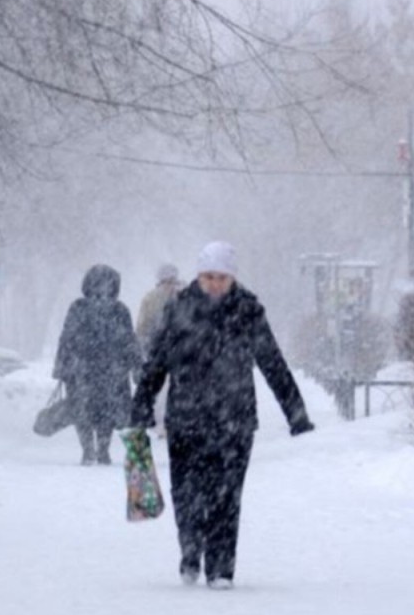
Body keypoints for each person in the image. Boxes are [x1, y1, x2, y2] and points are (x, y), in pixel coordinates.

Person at [130, 241, 315, 589]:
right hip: (186, 419)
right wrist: (141, 406)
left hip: (235, 419)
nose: (215, 284)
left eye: (222, 277)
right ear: (199, 276)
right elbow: (157, 362)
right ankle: (190, 551)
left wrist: (296, 413)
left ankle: (220, 569)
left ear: (232, 278)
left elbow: (272, 361)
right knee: (186, 493)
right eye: (208, 276)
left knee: (227, 497)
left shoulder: (247, 310)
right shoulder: (179, 309)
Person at [53, 264, 142, 465]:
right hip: (89, 369)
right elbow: (67, 338)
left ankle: (101, 449)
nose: (104, 287)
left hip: (104, 370)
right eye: (100, 283)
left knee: (102, 411)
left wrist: (136, 365)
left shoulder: (117, 310)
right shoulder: (82, 308)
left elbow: (129, 340)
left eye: (108, 283)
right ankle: (89, 449)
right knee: (88, 410)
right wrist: (62, 366)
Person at [135, 263, 184, 437]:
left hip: (171, 351)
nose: (170, 285)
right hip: (165, 351)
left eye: (172, 281)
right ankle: (164, 423)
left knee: (166, 389)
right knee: (165, 389)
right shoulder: (152, 299)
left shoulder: (180, 297)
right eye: (167, 281)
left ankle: (166, 423)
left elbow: (142, 328)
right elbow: (142, 327)